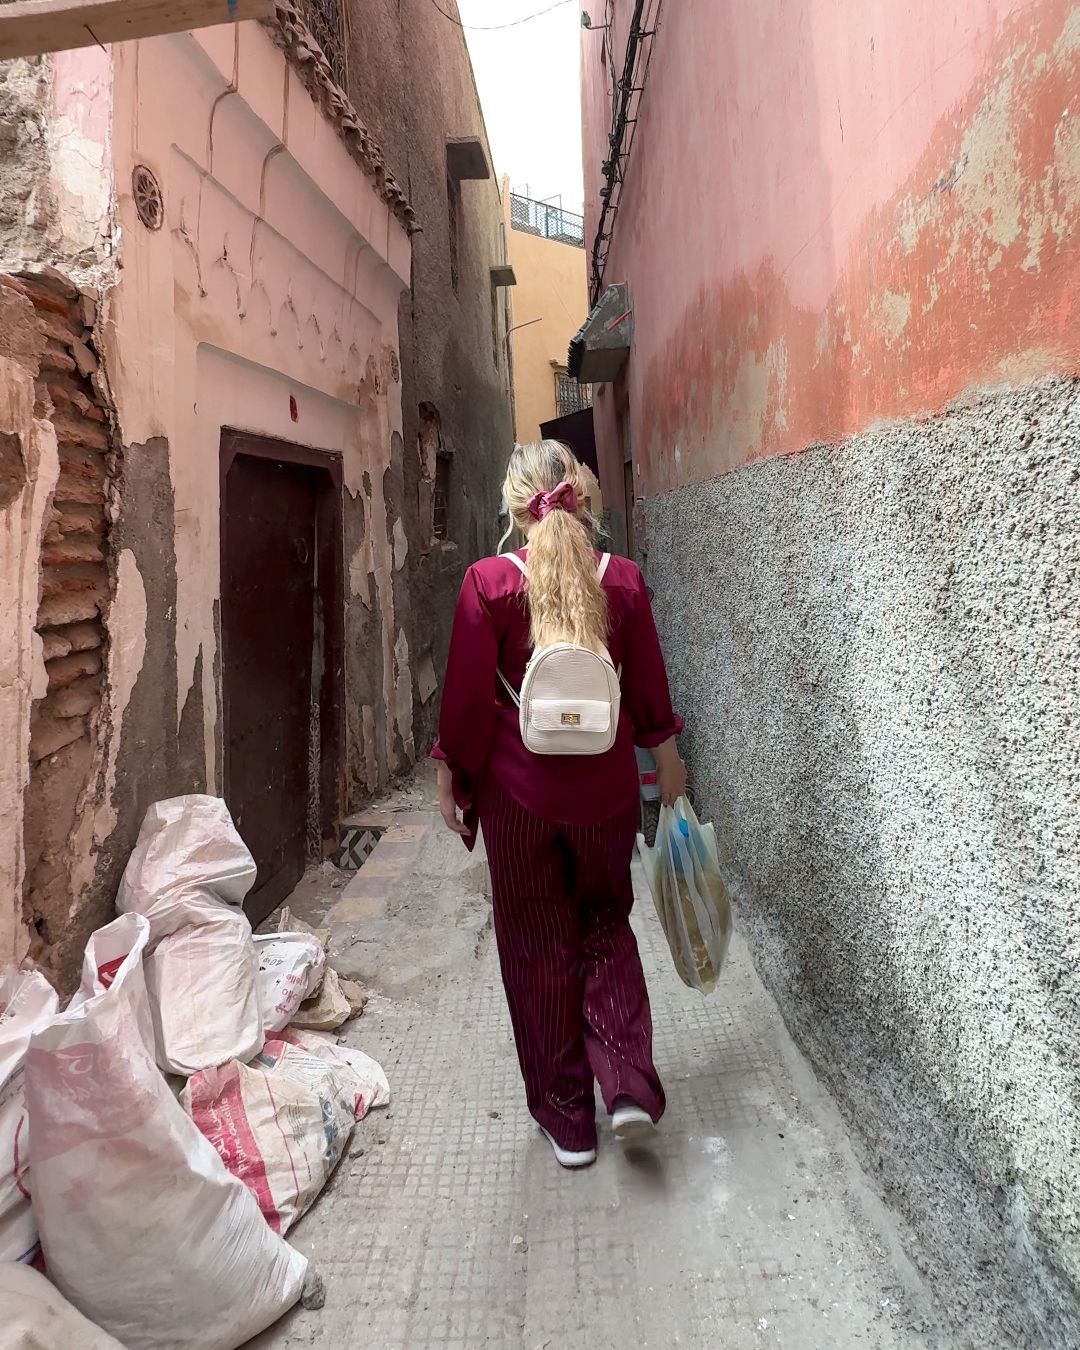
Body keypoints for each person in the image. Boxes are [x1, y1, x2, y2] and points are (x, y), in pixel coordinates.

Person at [432, 440, 686, 1168]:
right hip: (604, 796)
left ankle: (570, 1122)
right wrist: (669, 767)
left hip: (518, 798)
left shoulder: (487, 583)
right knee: (606, 923)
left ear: (517, 506)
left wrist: (453, 776)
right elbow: (647, 693)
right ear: (582, 496)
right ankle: (629, 1085)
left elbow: (468, 708)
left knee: (536, 945)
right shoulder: (625, 582)